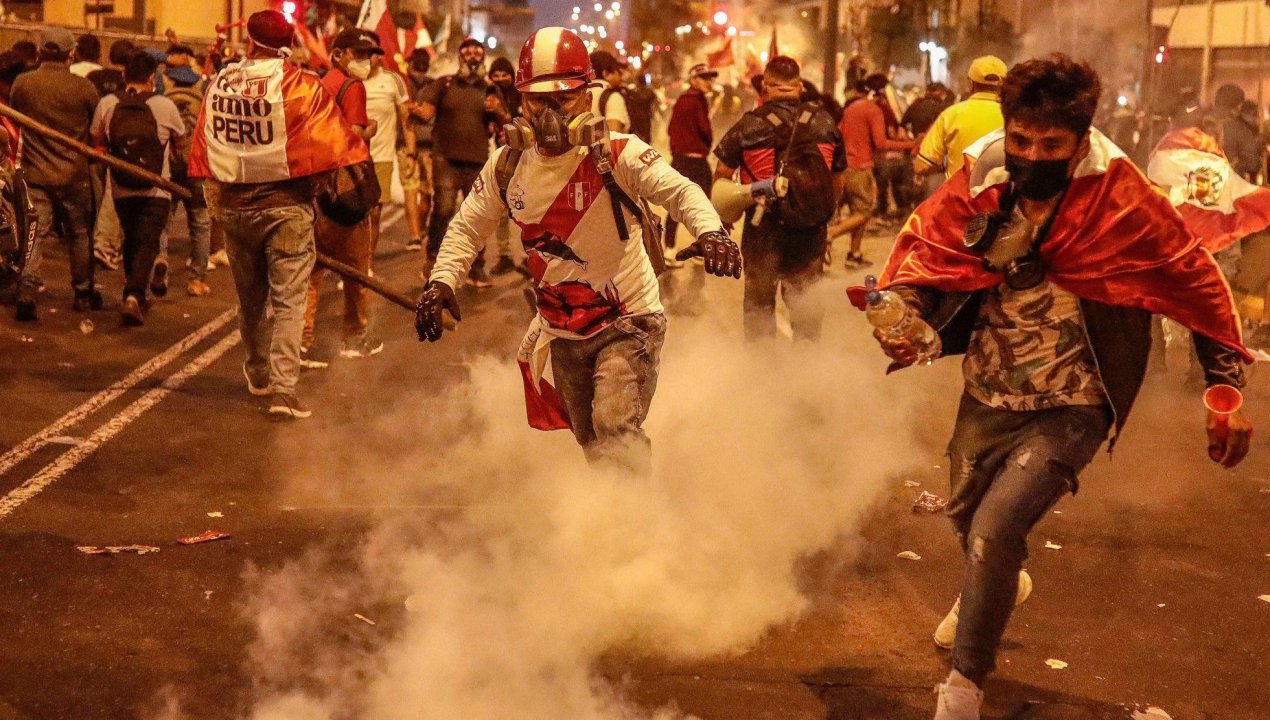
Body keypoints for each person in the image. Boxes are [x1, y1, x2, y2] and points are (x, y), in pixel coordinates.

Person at [859, 55, 1252, 720]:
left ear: (1078, 142)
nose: (1031, 155)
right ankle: (998, 582)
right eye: (1021, 141)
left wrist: (1226, 390)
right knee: (965, 517)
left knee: (993, 527)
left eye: (1050, 146)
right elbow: (931, 253)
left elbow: (1192, 278)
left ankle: (963, 690)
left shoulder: (1121, 197)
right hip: (987, 385)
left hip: (1076, 397)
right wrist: (907, 313)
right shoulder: (983, 175)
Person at [417, 27, 741, 471]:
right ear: (520, 100)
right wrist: (441, 281)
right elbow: (468, 227)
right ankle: (607, 520)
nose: (550, 113)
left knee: (615, 428)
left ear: (587, 96)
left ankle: (636, 529)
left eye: (564, 98)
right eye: (537, 100)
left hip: (629, 319)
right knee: (590, 438)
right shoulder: (506, 164)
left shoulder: (619, 152)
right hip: (562, 330)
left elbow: (681, 192)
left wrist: (712, 232)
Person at [188, 9, 370, 419]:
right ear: (288, 43)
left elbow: (206, 142)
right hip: (287, 209)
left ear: (249, 39)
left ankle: (258, 375)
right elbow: (333, 145)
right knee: (289, 302)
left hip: (235, 209)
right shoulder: (302, 85)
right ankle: (284, 389)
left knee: (250, 302)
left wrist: (216, 199)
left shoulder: (220, 83)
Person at [712, 56, 846, 340]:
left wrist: (726, 216)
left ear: (766, 87)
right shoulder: (824, 122)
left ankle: (764, 374)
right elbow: (838, 179)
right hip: (810, 229)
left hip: (764, 227)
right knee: (806, 306)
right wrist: (823, 215)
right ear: (799, 87)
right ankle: (805, 371)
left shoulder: (750, 124)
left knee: (759, 304)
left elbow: (721, 175)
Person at [301, 28, 383, 365]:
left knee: (311, 273)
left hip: (314, 189)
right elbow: (352, 136)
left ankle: (300, 341)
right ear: (339, 54)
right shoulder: (352, 87)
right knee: (355, 272)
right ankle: (354, 338)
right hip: (344, 191)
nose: (365, 61)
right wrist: (371, 128)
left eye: (367, 55)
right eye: (358, 54)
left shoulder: (320, 85)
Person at [10, 27, 102, 321]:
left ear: (41, 53)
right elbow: (95, 131)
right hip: (74, 174)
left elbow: (16, 116)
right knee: (79, 234)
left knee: (34, 234)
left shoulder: (23, 84)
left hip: (37, 174)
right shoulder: (84, 88)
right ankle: (84, 292)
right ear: (70, 53)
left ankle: (27, 288)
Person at [89, 51, 184, 326]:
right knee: (147, 243)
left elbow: (97, 139)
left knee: (131, 238)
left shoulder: (108, 103)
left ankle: (135, 295)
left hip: (121, 186)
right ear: (152, 78)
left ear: (123, 75)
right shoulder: (165, 106)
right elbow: (181, 143)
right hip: (157, 189)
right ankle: (133, 295)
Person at [417, 36, 498, 288]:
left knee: (477, 216)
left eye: (477, 52)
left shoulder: (490, 89)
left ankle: (477, 267)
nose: (473, 56)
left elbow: (503, 122)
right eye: (468, 51)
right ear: (460, 56)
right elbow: (426, 111)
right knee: (443, 210)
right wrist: (415, 111)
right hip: (445, 159)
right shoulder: (445, 84)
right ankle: (432, 263)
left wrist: (498, 110)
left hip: (477, 161)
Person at [834, 72, 914, 268]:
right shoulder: (873, 110)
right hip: (860, 168)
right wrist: (911, 144)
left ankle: (854, 254)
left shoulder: (852, 107)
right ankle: (830, 235)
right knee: (864, 212)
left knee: (855, 212)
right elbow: (881, 142)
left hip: (843, 167)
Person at [158, 44, 212, 297]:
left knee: (164, 218)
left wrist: (165, 57)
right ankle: (196, 280)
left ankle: (161, 259)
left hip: (168, 163)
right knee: (200, 221)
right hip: (197, 162)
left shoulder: (162, 84)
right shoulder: (203, 86)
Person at [361, 36, 413, 260]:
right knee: (354, 215)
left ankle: (366, 262)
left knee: (373, 212)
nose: (367, 57)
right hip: (352, 158)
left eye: (371, 52)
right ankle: (354, 259)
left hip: (381, 157)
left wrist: (411, 153)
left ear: (379, 55)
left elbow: (406, 120)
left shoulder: (393, 80)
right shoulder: (350, 79)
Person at [913, 56, 1006, 180]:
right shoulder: (1014, 116)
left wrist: (947, 166)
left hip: (960, 197)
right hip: (1003, 197)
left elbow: (921, 166)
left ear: (971, 84)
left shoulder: (951, 115)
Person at [665, 63, 716, 253]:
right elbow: (705, 130)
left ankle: (669, 249)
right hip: (695, 161)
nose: (709, 82)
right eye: (704, 78)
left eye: (710, 78)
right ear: (693, 80)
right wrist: (704, 142)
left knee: (676, 205)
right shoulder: (696, 100)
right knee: (703, 206)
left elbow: (670, 129)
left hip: (679, 160)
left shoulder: (682, 100)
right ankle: (701, 248)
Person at [486, 54, 525, 276]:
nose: (501, 79)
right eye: (496, 75)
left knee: (526, 209)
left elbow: (522, 126)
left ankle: (532, 258)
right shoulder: (489, 96)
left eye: (505, 75)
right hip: (501, 159)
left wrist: (503, 114)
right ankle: (505, 255)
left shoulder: (521, 97)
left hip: (524, 159)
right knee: (501, 209)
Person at [402, 48, 435, 254]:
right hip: (414, 144)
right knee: (416, 190)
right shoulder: (405, 85)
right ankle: (416, 233)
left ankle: (418, 232)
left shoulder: (431, 85)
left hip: (423, 146)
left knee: (421, 192)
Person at [589, 49, 629, 133]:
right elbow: (614, 139)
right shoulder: (613, 97)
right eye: (618, 71)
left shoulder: (580, 95)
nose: (621, 77)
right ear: (606, 74)